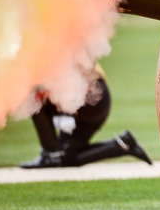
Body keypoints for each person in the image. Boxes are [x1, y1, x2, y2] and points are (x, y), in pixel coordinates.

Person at [20, 63, 153, 168]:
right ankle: (122, 145)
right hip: (92, 101)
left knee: (34, 96)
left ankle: (50, 154)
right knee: (67, 157)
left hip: (91, 99)